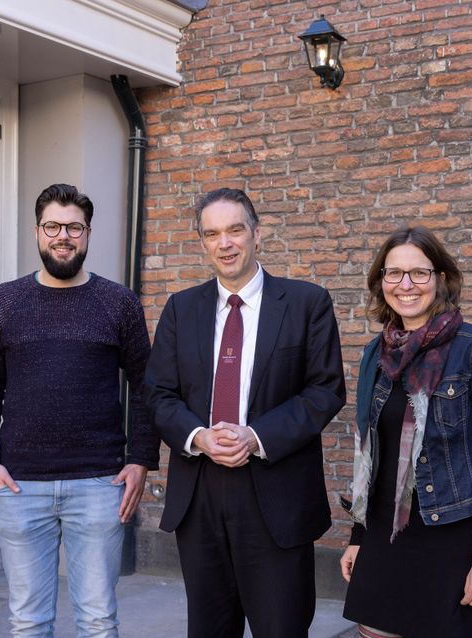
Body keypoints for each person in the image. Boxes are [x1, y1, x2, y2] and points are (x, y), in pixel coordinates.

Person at [144, 188, 346, 638]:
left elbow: (325, 390)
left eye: (235, 230)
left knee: (281, 627)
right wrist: (198, 436)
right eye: (212, 234)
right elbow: (157, 393)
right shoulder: (181, 308)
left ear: (257, 233)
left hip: (276, 494)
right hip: (200, 497)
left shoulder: (306, 302)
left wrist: (255, 436)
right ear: (202, 242)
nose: (225, 243)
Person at [0, 183, 158, 638]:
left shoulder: (119, 303)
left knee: (97, 620)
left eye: (74, 227)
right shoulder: (4, 302)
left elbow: (147, 387)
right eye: (53, 226)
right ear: (37, 232)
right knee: (29, 622)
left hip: (98, 483)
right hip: (19, 485)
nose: (63, 236)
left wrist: (140, 460)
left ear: (88, 233)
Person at [338, 225, 472, 638]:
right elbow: (371, 460)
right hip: (384, 538)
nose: (405, 285)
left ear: (441, 279)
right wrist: (357, 537)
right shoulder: (374, 353)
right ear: (380, 281)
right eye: (393, 273)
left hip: (451, 540)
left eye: (419, 273)